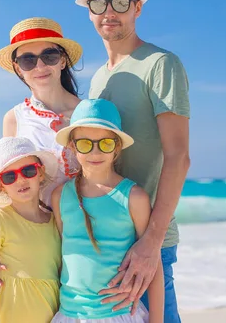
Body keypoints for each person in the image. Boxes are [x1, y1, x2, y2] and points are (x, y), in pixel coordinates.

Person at [76, 0, 191, 322]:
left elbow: (178, 157)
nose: (109, 13)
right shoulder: (97, 79)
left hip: (147, 240)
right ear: (90, 11)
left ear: (137, 7)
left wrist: (152, 242)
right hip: (106, 240)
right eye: (100, 4)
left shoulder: (160, 64)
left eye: (120, 3)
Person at [50, 98, 164, 323]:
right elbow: (60, 255)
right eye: (85, 144)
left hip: (119, 315)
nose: (95, 152)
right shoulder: (60, 196)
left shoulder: (133, 197)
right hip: (70, 315)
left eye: (105, 144)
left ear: (117, 147)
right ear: (72, 146)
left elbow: (154, 264)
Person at [0, 17, 83, 210]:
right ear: (18, 68)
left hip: (88, 230)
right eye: (28, 60)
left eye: (49, 56)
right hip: (40, 232)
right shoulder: (13, 119)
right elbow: (11, 185)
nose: (40, 66)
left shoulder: (88, 113)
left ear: (62, 60)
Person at [0, 136, 62, 323]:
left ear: (40, 173)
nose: (20, 180)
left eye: (28, 170)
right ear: (2, 186)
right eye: (9, 176)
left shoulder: (56, 222)